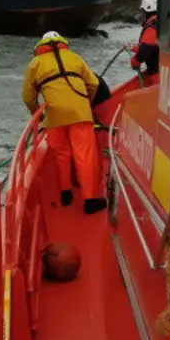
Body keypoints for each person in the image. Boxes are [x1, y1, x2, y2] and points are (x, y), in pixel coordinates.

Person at [21, 31, 106, 214]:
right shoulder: (75, 57)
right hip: (81, 114)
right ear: (61, 42)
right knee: (85, 155)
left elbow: (28, 98)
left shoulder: (35, 64)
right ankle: (90, 201)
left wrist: (38, 114)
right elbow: (93, 84)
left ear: (41, 45)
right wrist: (86, 104)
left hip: (54, 116)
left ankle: (65, 193)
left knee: (61, 153)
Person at [130, 0, 160, 76]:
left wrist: (135, 60)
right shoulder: (160, 23)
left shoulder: (152, 28)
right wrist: (134, 48)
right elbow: (153, 48)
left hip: (156, 75)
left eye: (142, 12)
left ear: (146, 12)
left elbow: (145, 51)